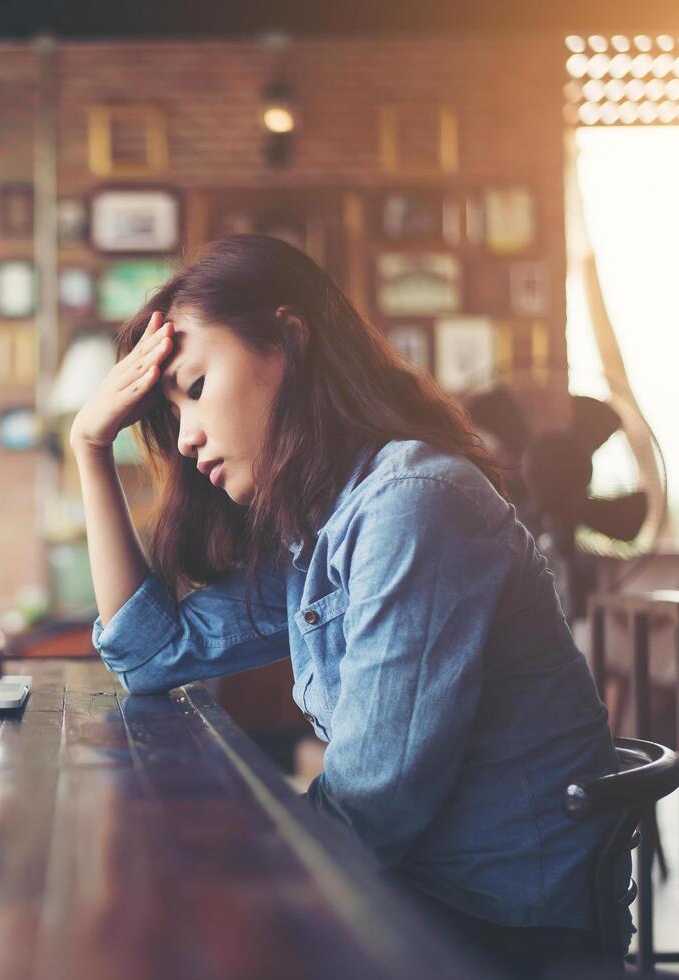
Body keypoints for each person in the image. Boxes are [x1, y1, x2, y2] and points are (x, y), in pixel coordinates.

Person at [69, 234, 625, 978]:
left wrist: (230, 878)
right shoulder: (323, 525)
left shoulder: (414, 503)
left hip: (491, 922)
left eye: (195, 388)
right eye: (170, 415)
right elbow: (149, 656)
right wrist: (87, 444)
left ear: (287, 343)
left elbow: (372, 804)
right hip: (421, 891)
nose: (188, 436)